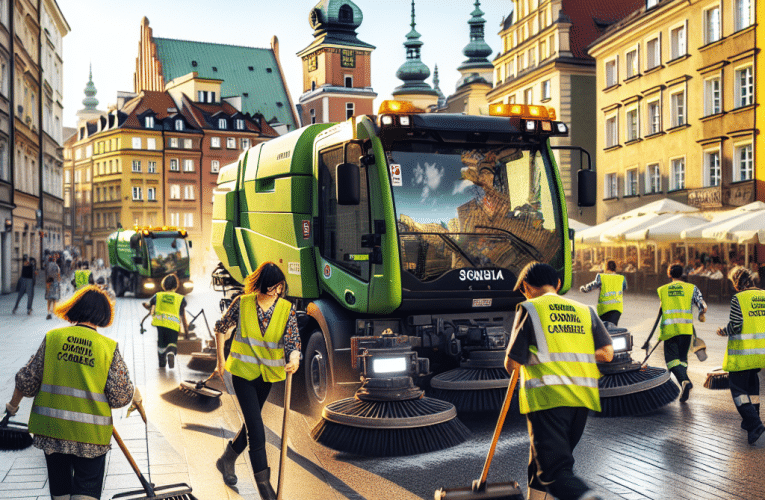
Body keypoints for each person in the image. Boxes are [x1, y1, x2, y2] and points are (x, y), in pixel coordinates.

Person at [5, 285, 138, 500]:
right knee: (86, 490)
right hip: (91, 436)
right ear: (104, 314)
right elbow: (120, 397)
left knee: (60, 489)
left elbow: (27, 381)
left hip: (53, 430)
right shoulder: (108, 347)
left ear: (75, 308)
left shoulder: (53, 338)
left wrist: (12, 406)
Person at [505, 262, 614, 500]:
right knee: (540, 462)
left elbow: (511, 363)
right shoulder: (585, 310)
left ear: (525, 287)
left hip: (548, 398)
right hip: (582, 399)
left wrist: (536, 357)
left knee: (554, 470)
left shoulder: (529, 309)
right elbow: (607, 353)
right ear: (558, 284)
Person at [214, 262, 301, 500]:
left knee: (251, 425)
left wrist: (294, 360)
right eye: (272, 287)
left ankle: (226, 460)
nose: (276, 292)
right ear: (262, 285)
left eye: (280, 287)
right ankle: (265, 489)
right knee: (256, 428)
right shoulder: (242, 303)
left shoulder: (286, 309)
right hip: (242, 373)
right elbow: (220, 327)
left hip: (266, 377)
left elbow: (294, 343)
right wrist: (220, 360)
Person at [716, 267, 765, 445]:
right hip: (761, 353)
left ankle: (755, 424)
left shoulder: (739, 298)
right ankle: (751, 419)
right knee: (752, 385)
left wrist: (723, 331)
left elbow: (736, 326)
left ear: (737, 282)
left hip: (744, 353)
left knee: (738, 390)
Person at [657, 264, 707, 403]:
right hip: (686, 329)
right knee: (682, 359)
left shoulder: (663, 290)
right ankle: (684, 383)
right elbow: (703, 306)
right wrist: (700, 316)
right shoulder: (692, 288)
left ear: (669, 274)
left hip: (670, 330)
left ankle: (685, 381)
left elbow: (661, 310)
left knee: (671, 360)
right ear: (682, 274)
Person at [148, 274, 189, 369]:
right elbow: (183, 314)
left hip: (160, 324)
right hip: (173, 324)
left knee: (161, 342)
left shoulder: (158, 296)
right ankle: (170, 352)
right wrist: (186, 330)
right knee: (172, 341)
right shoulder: (180, 298)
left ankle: (162, 362)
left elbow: (151, 304)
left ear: (164, 285)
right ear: (176, 286)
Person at [579, 260, 626, 326]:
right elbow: (623, 288)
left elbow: (592, 286)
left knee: (604, 330)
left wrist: (583, 289)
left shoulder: (601, 277)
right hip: (617, 309)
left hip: (604, 309)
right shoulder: (622, 278)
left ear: (606, 268)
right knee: (613, 329)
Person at [44, 254, 61, 320]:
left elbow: (45, 275)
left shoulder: (47, 266)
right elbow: (59, 275)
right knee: (54, 299)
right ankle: (54, 312)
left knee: (49, 299)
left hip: (49, 283)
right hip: (55, 283)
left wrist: (46, 283)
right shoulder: (57, 266)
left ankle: (49, 313)